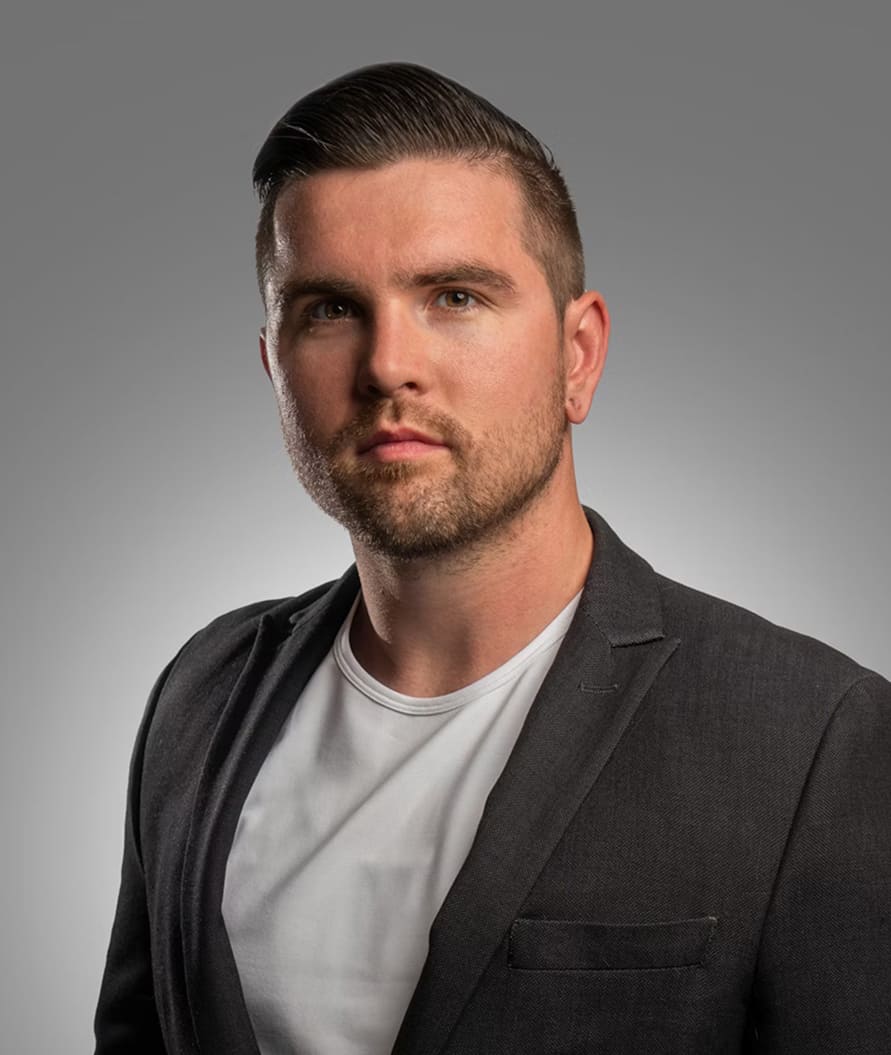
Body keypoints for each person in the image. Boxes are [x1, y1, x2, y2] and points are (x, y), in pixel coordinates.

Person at [94, 62, 891, 1055]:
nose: (389, 365)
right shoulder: (200, 691)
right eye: (329, 308)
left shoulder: (814, 737)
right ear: (274, 364)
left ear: (577, 354)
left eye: (455, 295)